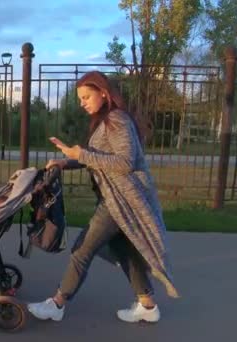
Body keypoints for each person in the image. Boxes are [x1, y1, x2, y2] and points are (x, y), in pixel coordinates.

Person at [27, 71, 179, 324]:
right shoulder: (106, 120)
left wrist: (81, 155)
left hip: (120, 202)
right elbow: (100, 160)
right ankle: (148, 306)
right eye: (80, 98)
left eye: (86, 96)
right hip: (117, 200)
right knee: (124, 251)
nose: (83, 102)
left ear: (103, 92)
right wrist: (68, 160)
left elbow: (125, 163)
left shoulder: (117, 119)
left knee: (81, 250)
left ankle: (57, 303)